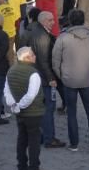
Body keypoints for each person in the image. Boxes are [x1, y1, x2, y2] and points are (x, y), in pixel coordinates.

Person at [52, 9, 89, 152]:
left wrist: (61, 75)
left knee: (72, 113)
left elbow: (55, 61)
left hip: (69, 81)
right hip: (87, 79)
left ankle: (74, 144)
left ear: (70, 20)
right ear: (83, 20)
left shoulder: (63, 38)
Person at [19, 10, 65, 148]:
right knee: (48, 108)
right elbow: (44, 61)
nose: (53, 22)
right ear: (44, 21)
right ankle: (49, 138)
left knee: (37, 108)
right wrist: (51, 78)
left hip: (30, 75)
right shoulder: (42, 37)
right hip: (43, 78)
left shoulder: (28, 31)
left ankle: (38, 136)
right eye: (50, 20)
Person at [3, 46, 49, 170]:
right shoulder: (33, 73)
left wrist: (13, 105)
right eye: (33, 55)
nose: (35, 56)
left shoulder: (11, 70)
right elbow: (31, 95)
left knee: (22, 140)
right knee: (34, 142)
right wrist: (20, 105)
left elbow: (7, 90)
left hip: (20, 113)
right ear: (27, 57)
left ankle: (21, 168)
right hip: (33, 112)